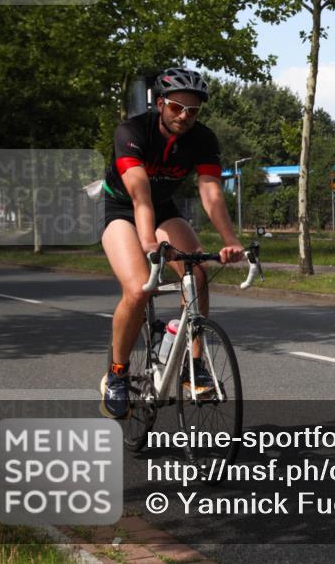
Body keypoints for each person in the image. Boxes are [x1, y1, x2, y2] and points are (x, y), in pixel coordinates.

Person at [100, 67, 244, 419]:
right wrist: (148, 242)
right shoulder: (132, 132)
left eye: (193, 110)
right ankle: (117, 375)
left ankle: (194, 367)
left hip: (163, 208)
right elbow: (140, 194)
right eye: (177, 107)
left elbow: (211, 192)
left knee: (196, 273)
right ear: (160, 103)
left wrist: (230, 241)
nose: (184, 116)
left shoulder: (203, 139)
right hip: (122, 208)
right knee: (139, 288)